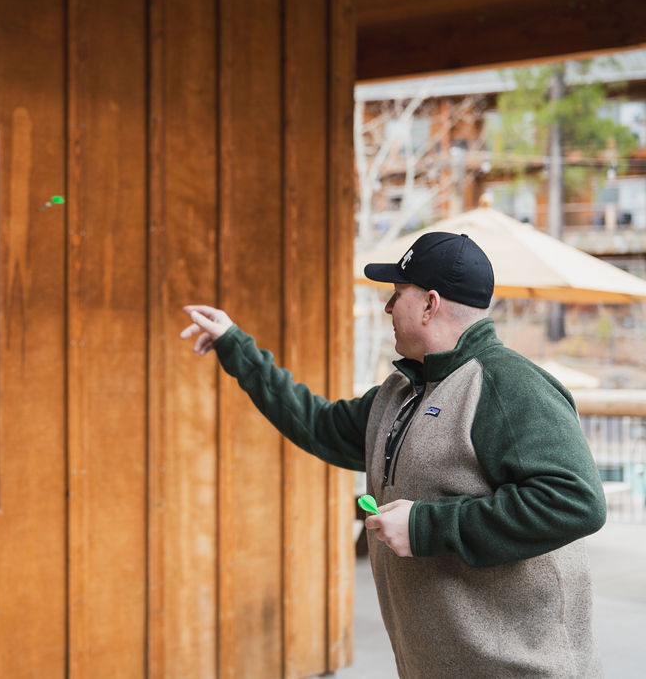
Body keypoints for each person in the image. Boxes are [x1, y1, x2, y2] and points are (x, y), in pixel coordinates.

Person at [180, 231, 606, 678]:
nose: (387, 307)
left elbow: (576, 501)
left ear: (429, 305)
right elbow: (317, 423)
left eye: (398, 293)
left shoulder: (508, 386)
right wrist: (235, 346)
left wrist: (426, 526)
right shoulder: (400, 391)